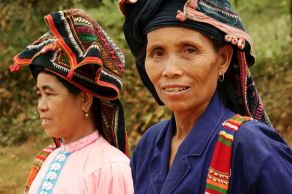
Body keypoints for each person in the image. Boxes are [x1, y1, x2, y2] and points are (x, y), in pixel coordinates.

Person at [119, 0, 292, 193]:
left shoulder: (250, 144)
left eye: (189, 50)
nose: (170, 70)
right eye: (157, 53)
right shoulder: (149, 144)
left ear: (223, 60)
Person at [10, 8, 133, 194]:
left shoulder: (111, 168)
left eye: (49, 94)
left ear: (84, 100)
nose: (41, 106)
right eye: (39, 95)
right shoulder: (48, 158)